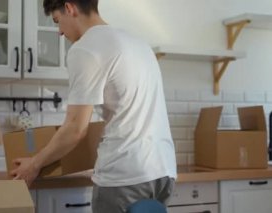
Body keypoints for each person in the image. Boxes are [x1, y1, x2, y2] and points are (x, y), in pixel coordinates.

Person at [10, 0, 177, 212]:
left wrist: (33, 165)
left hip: (125, 177)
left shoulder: (86, 48)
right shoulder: (139, 43)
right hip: (163, 172)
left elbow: (75, 129)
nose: (59, 32)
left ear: (69, 8)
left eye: (57, 21)